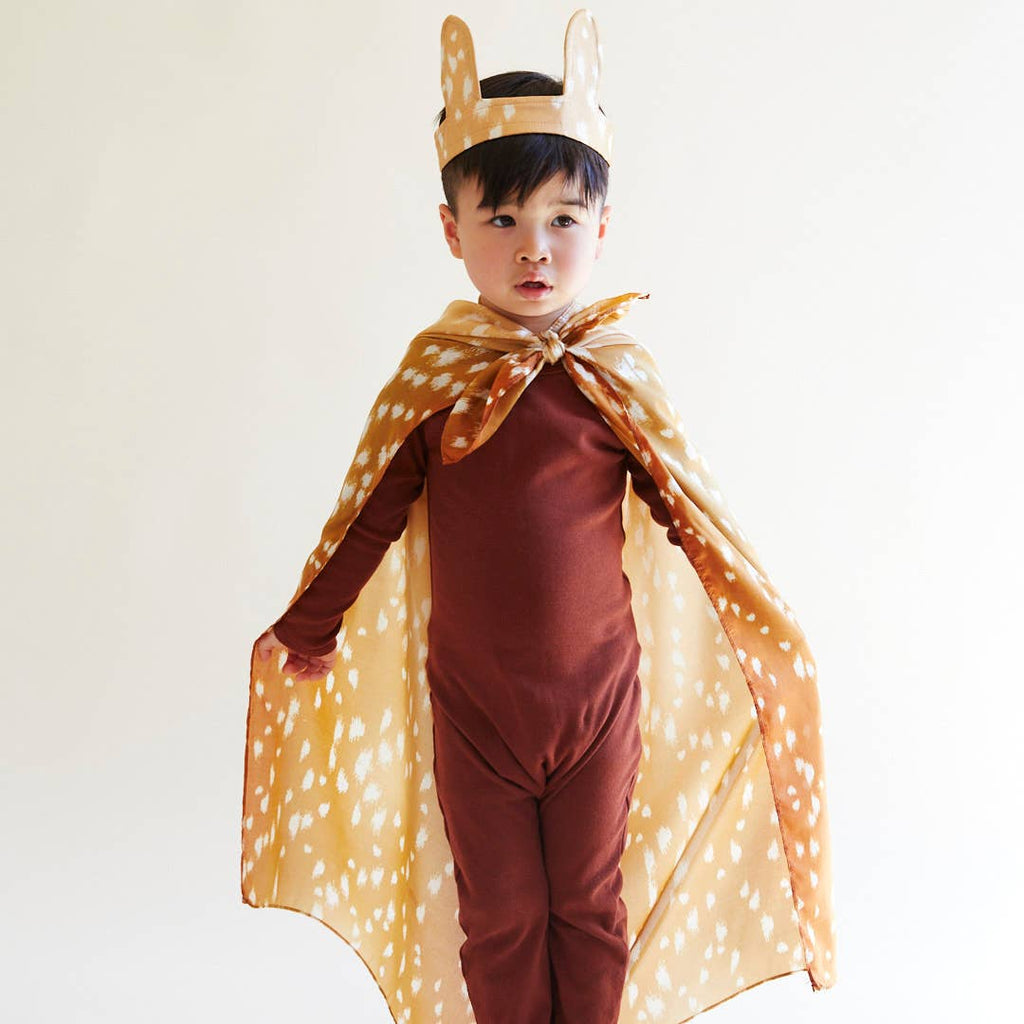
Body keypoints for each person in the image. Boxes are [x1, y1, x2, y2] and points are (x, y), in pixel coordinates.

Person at [242, 11, 835, 1024]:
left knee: (589, 909)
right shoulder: (436, 382)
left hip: (599, 705)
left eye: (563, 219)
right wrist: (308, 623)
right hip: (473, 709)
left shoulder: (615, 377)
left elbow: (687, 510)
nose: (534, 248)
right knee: (502, 916)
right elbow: (372, 511)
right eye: (503, 220)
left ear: (602, 229)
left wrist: (747, 620)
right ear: (451, 231)